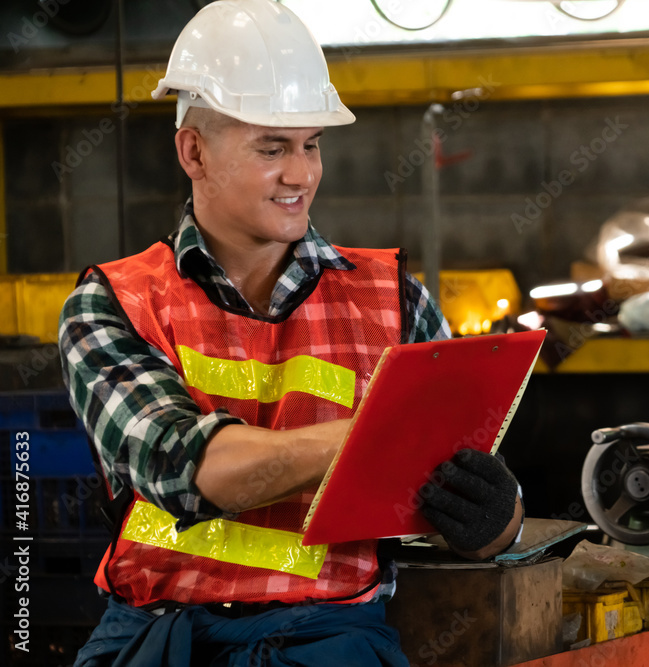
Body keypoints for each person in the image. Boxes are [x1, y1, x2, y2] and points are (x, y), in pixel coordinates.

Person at [58, 1, 524, 664]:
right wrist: (377, 433)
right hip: (158, 635)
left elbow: (463, 505)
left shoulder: (396, 302)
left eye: (311, 145)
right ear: (194, 150)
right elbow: (187, 466)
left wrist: (495, 518)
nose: (300, 174)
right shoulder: (115, 302)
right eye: (271, 148)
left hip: (327, 638)